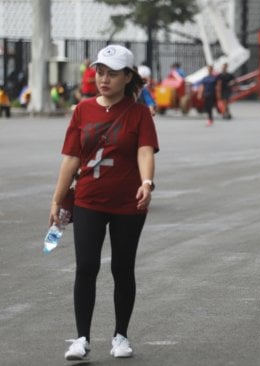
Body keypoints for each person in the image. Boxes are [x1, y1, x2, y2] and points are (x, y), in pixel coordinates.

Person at [49, 44, 159, 361]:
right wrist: (57, 200)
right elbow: (70, 159)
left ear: (128, 77)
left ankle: (120, 336)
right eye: (100, 72)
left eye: (112, 73)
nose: (104, 79)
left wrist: (147, 183)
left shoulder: (139, 113)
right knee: (86, 267)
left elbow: (145, 151)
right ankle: (81, 338)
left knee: (123, 269)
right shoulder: (83, 110)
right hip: (87, 200)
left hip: (128, 203)